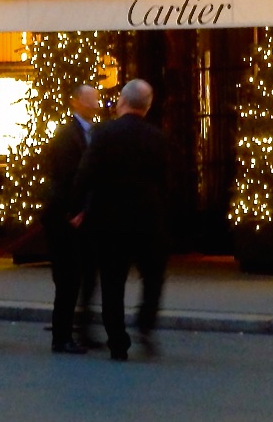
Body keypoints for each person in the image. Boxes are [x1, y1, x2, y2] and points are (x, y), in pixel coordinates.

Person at [74, 79, 170, 361]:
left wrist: (76, 208)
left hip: (110, 219)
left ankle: (118, 341)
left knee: (112, 283)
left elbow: (85, 173)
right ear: (148, 107)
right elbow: (166, 183)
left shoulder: (104, 134)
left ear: (122, 102)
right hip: (148, 220)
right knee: (153, 276)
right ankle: (145, 323)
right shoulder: (158, 138)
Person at [41, 84, 102, 355]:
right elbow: (66, 177)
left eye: (96, 101)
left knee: (84, 275)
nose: (95, 106)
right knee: (68, 279)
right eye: (90, 102)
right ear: (76, 102)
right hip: (66, 216)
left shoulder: (91, 133)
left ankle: (78, 330)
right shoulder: (67, 135)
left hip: (81, 216)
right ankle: (62, 336)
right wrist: (72, 212)